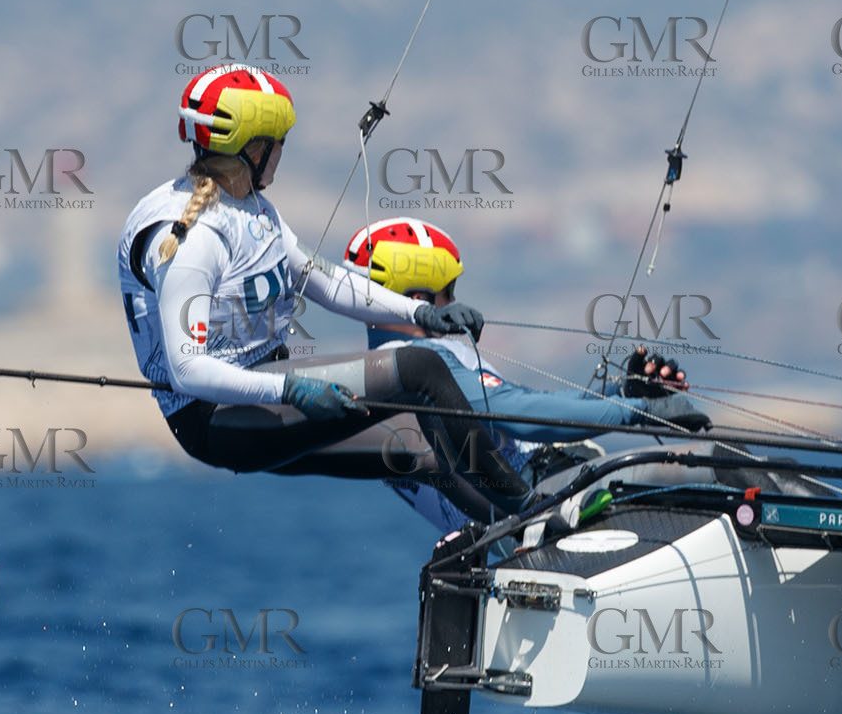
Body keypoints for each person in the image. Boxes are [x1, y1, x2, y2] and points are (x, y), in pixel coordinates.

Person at [116, 64, 534, 523]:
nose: (281, 155)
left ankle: (518, 536)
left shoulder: (253, 209)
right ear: (254, 148)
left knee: (417, 451)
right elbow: (187, 369)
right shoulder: (195, 241)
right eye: (279, 144)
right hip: (219, 420)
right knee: (420, 368)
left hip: (271, 389)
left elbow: (325, 281)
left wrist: (421, 314)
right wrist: (292, 389)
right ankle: (532, 509)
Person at [342, 217, 711, 534]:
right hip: (540, 502)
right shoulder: (418, 365)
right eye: (448, 292)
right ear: (418, 298)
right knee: (718, 465)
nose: (453, 303)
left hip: (519, 516)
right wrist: (636, 412)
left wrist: (622, 392)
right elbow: (521, 414)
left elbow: (526, 408)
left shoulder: (376, 371)